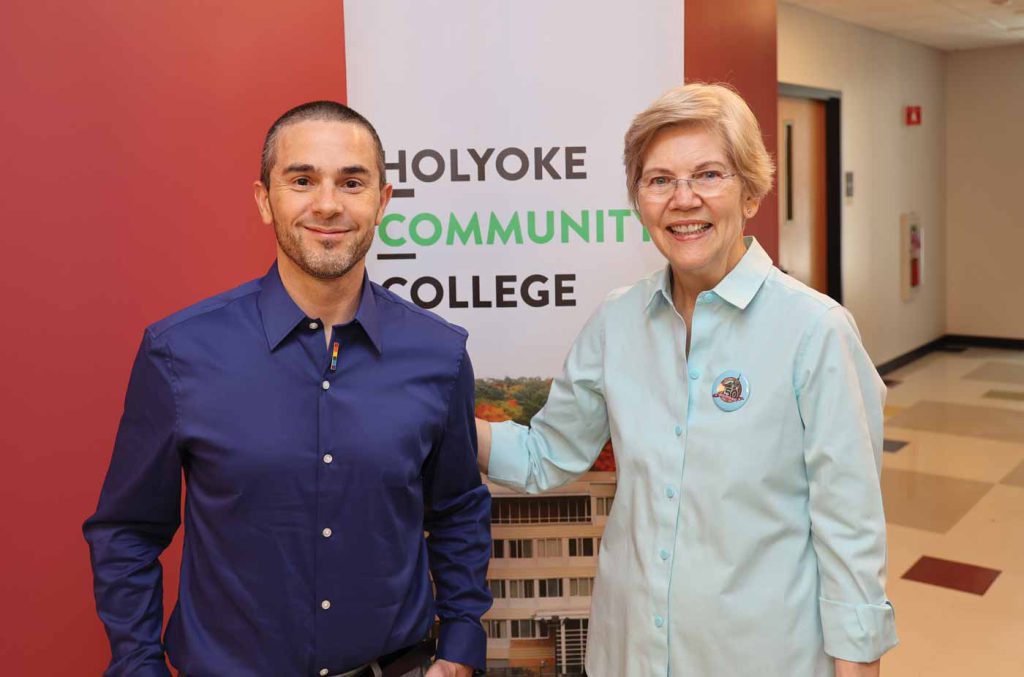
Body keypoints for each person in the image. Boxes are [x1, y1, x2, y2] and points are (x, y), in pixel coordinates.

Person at [476, 83, 897, 677]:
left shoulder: (816, 330)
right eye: (659, 180)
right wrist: (438, 423)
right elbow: (549, 453)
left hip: (763, 655)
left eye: (709, 175)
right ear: (639, 199)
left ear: (751, 193)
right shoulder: (617, 322)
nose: (683, 199)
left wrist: (858, 660)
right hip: (630, 653)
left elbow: (849, 520)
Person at [84, 101, 490, 677]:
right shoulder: (179, 353)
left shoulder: (439, 354)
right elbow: (127, 531)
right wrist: (138, 665)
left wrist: (461, 647)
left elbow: (456, 511)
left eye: (352, 182)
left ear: (383, 202)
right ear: (263, 200)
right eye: (302, 180)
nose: (328, 204)